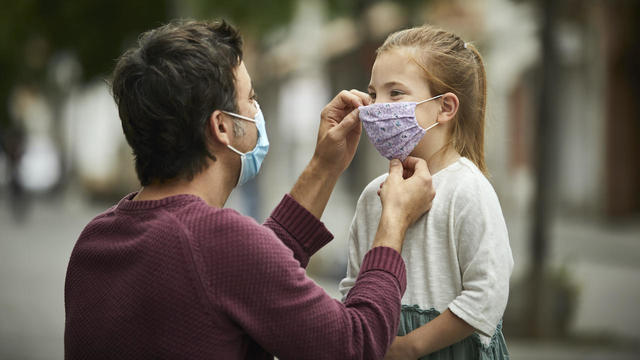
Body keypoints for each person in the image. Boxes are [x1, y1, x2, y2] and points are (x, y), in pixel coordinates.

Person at [64, 20, 437, 360]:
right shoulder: (216, 242)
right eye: (251, 98)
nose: (257, 110)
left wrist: (324, 166)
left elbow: (247, 274)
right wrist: (393, 224)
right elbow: (355, 344)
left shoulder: (95, 240)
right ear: (222, 127)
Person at [339, 25, 514, 359]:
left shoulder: (469, 190)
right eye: (373, 94)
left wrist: (411, 346)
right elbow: (352, 288)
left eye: (395, 93)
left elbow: (487, 293)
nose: (377, 108)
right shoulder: (372, 195)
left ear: (445, 107)